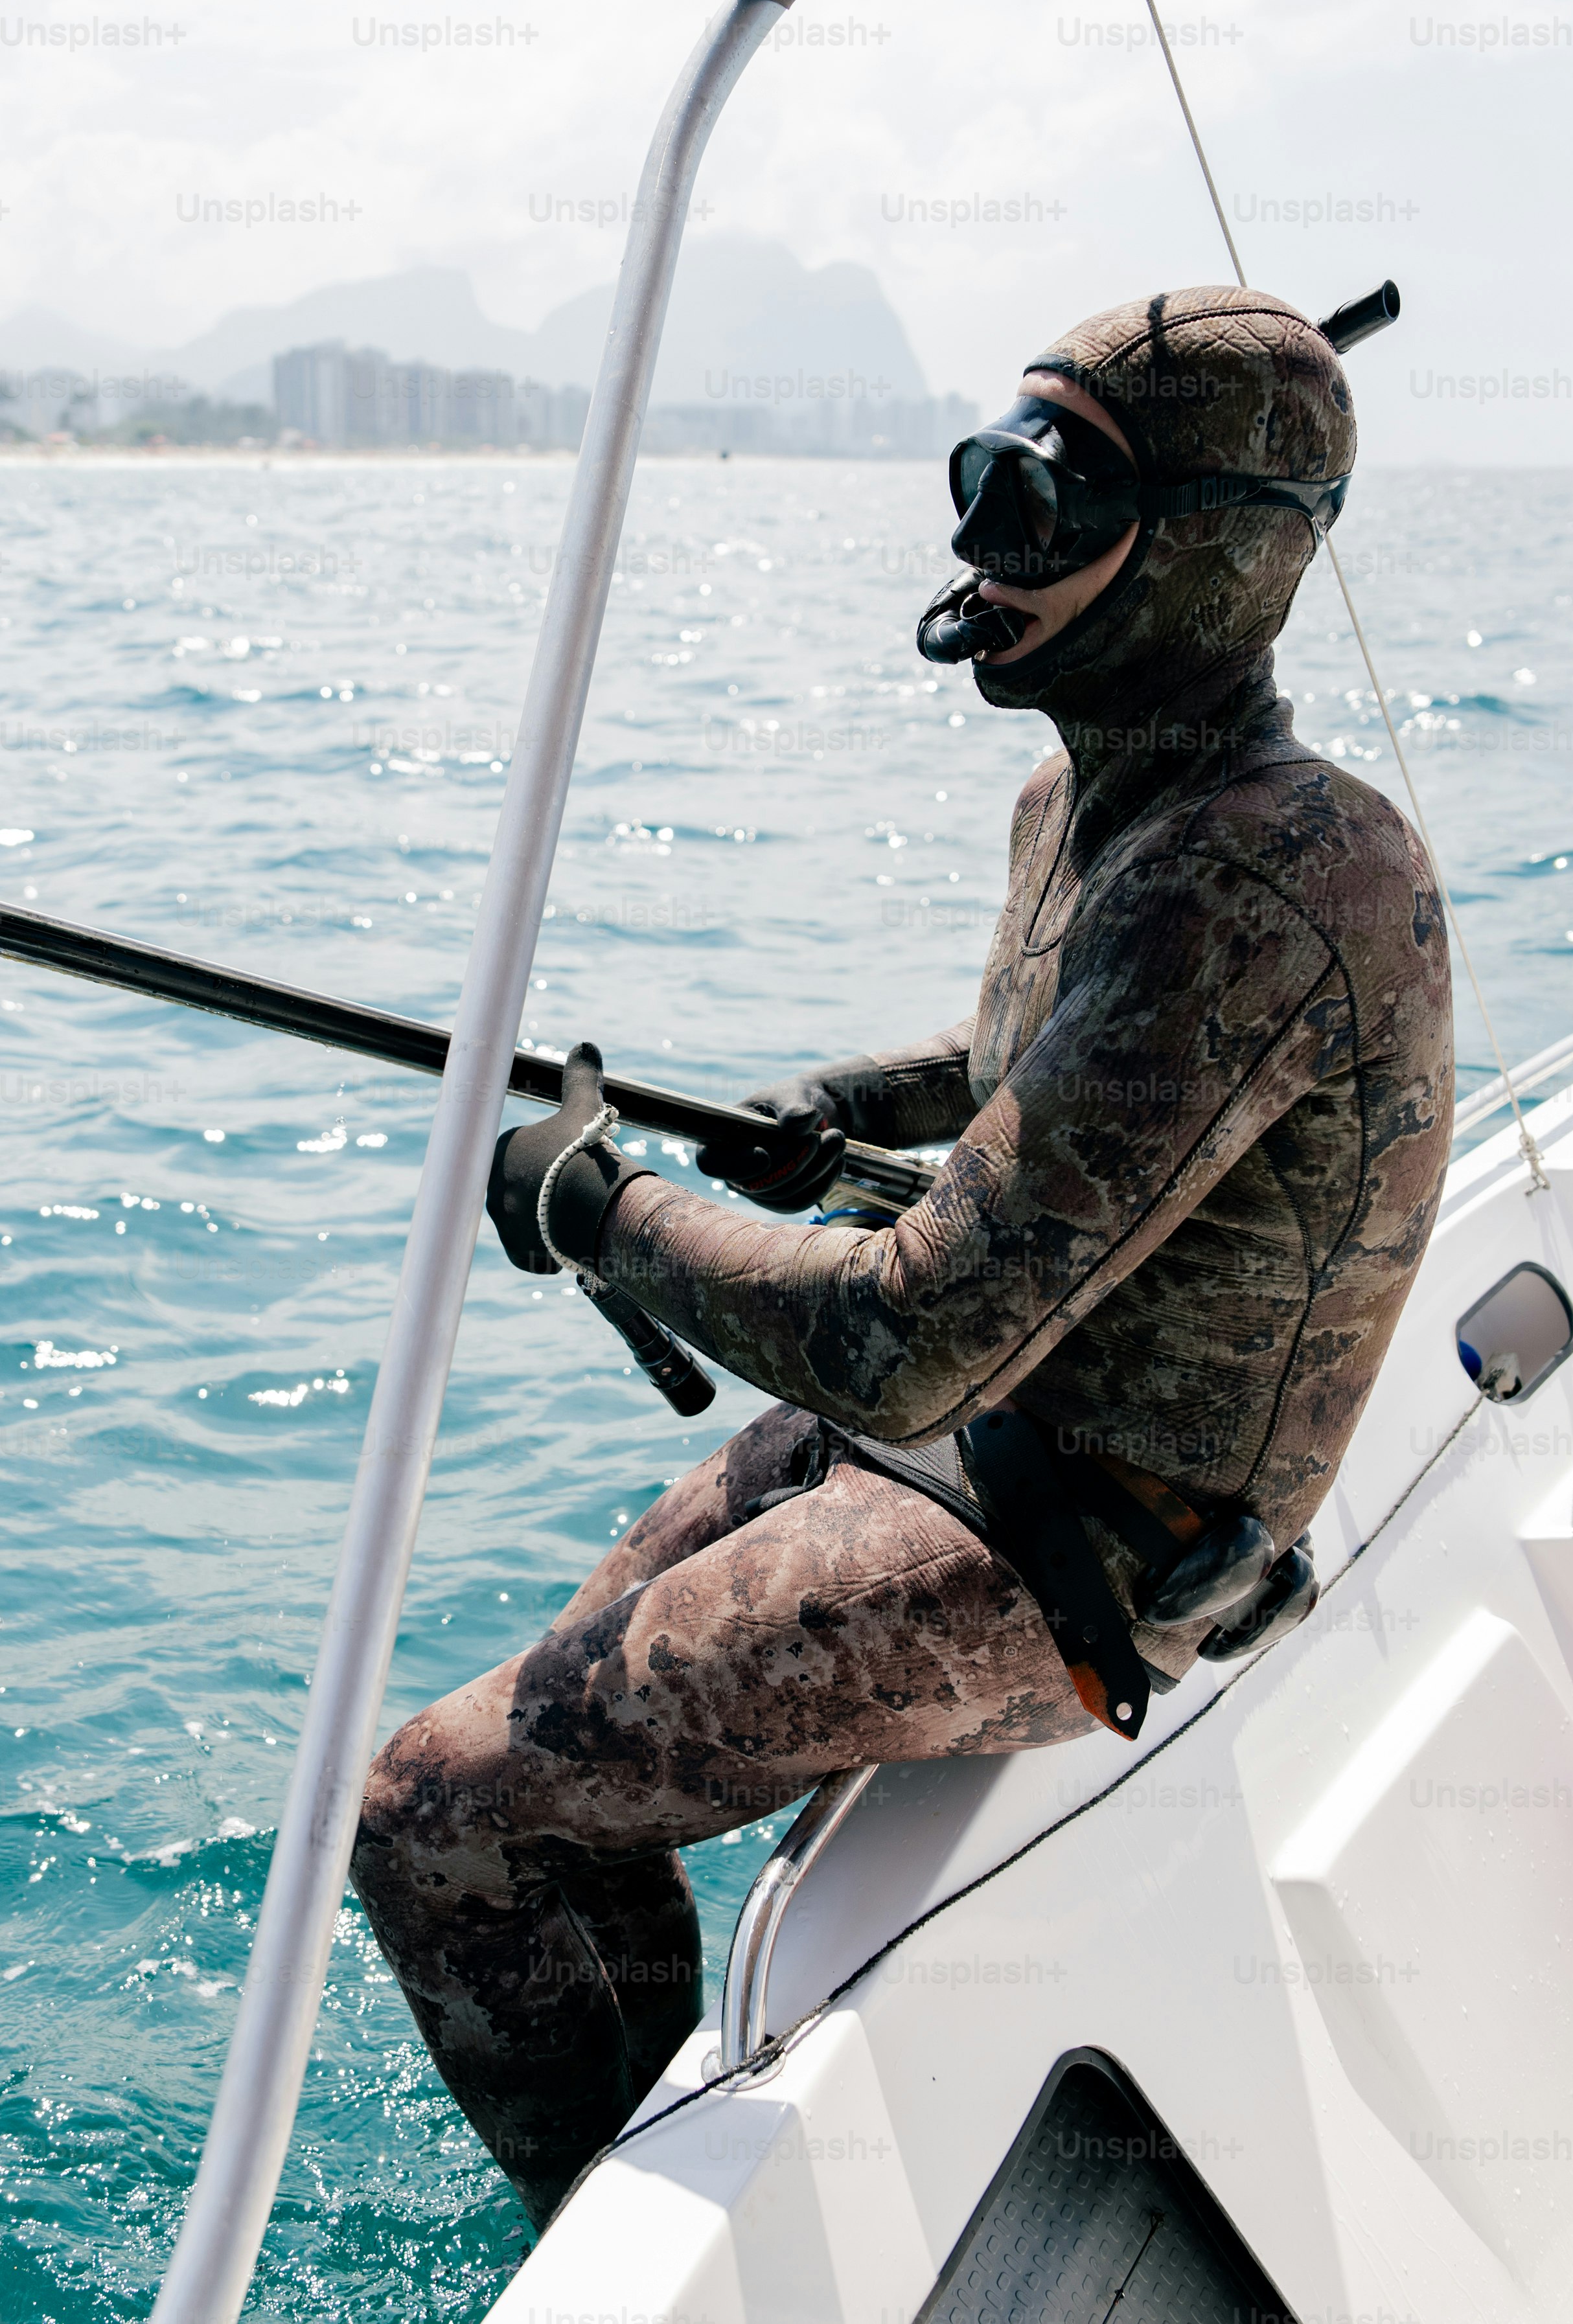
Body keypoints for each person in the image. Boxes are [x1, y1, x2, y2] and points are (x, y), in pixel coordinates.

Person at [351, 286, 1456, 2224]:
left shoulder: (1277, 868)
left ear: (1201, 554)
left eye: (1036, 499)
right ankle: (656, 2190)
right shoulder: (1088, 803)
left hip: (1080, 1552)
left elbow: (894, 1341)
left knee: (429, 1813)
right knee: (525, 1751)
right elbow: (1035, 1052)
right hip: (985, 1440)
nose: (977, 548)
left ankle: (606, 2247)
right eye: (980, 480)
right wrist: (841, 1098)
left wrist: (592, 1203)